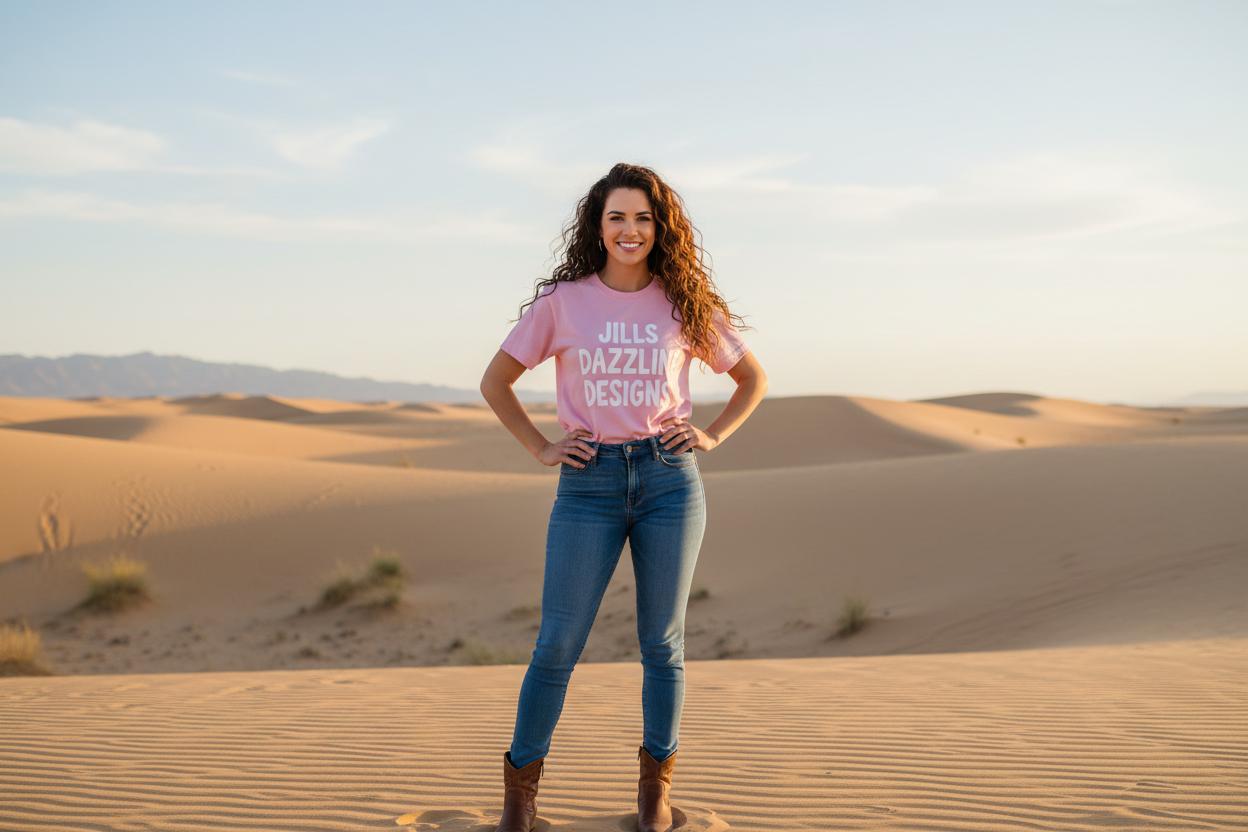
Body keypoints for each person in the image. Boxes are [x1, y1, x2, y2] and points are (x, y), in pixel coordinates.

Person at [480, 162, 767, 832]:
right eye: (617, 218)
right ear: (598, 226)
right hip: (589, 483)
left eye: (643, 217)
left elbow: (751, 379)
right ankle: (519, 802)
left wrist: (713, 435)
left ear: (659, 226)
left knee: (662, 644)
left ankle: (653, 796)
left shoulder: (684, 302)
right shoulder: (564, 303)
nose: (630, 230)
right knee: (557, 643)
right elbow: (497, 381)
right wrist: (540, 446)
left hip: (670, 480)